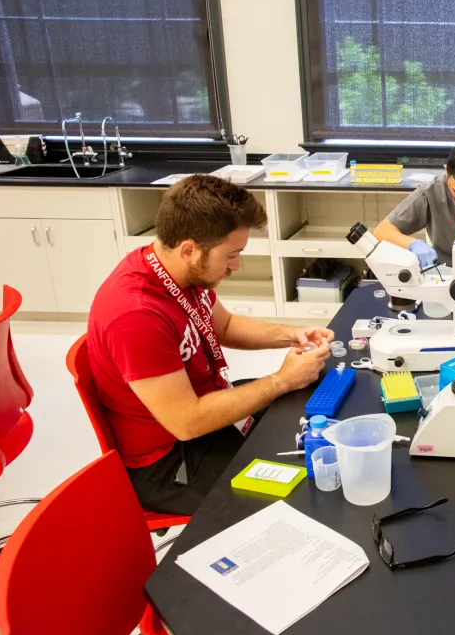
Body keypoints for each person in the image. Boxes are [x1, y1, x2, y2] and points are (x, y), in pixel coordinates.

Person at [87, 175, 333, 514]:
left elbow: (225, 325)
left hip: (207, 411)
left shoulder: (177, 270)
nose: (236, 265)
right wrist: (281, 380)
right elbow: (186, 422)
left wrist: (293, 334)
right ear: (189, 249)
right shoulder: (136, 315)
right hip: (171, 460)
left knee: (308, 403)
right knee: (300, 497)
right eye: (231, 254)